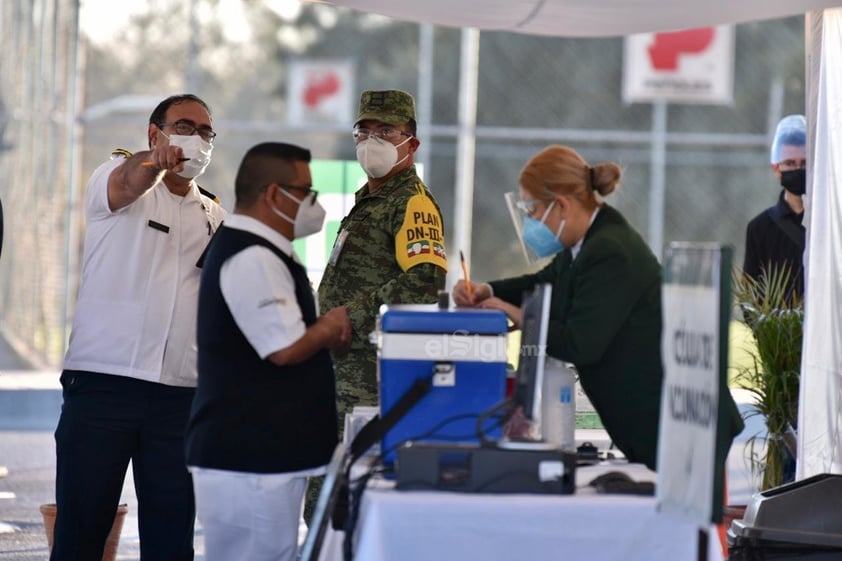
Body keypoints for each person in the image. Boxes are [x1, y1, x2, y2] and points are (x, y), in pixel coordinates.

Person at [454, 144, 743, 472]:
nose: (531, 225)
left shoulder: (609, 250)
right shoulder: (586, 243)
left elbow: (581, 343)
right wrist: (486, 291)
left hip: (679, 427)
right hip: (660, 425)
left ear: (561, 205)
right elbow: (545, 282)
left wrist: (522, 316)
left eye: (533, 214)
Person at [52, 93, 225, 561]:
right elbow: (129, 182)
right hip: (104, 387)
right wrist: (155, 162)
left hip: (178, 399)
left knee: (171, 540)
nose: (198, 139)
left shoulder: (214, 216)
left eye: (206, 132)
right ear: (155, 133)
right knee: (81, 530)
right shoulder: (113, 182)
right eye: (186, 127)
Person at [185, 142, 350, 561]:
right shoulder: (252, 255)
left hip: (261, 456)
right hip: (249, 459)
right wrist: (329, 328)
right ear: (275, 194)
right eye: (306, 192)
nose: (314, 204)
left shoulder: (262, 249)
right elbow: (284, 348)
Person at [310, 89, 447, 521]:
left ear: (412, 143)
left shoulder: (411, 201)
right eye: (364, 130)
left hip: (371, 381)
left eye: (386, 131)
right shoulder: (371, 199)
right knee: (326, 498)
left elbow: (426, 280)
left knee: (345, 504)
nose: (373, 140)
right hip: (341, 374)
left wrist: (350, 315)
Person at [743, 114, 807, 300]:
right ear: (776, 169)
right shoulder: (760, 228)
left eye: (804, 163)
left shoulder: (832, 222)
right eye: (790, 163)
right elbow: (750, 296)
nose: (797, 169)